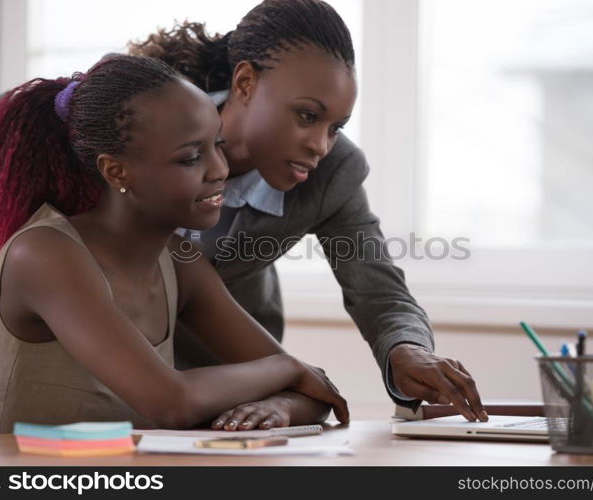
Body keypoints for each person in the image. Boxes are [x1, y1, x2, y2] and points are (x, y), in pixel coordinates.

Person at [128, 0, 489, 423]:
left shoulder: (334, 172)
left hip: (233, 385)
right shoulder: (141, 125)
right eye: (307, 115)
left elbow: (378, 290)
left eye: (336, 127)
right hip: (112, 366)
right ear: (245, 82)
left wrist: (406, 350)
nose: (320, 144)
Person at [0, 54, 348, 434]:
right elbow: (173, 403)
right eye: (191, 158)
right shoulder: (43, 254)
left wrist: (281, 402)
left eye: (217, 145)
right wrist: (287, 369)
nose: (219, 169)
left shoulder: (180, 261)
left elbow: (316, 395)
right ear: (116, 171)